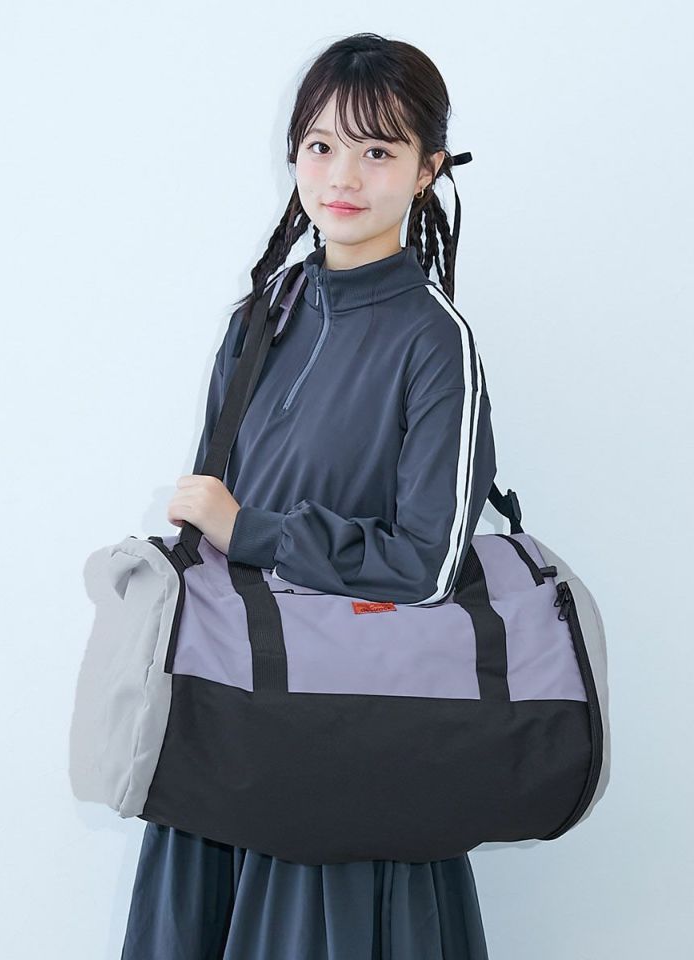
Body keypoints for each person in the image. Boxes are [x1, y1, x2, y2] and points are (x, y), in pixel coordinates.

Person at [121, 31, 496, 960]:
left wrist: (252, 529)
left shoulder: (434, 342)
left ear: (428, 170)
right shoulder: (262, 316)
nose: (344, 176)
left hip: (350, 734)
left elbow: (429, 566)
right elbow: (208, 518)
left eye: (379, 151)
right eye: (322, 145)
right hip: (229, 721)